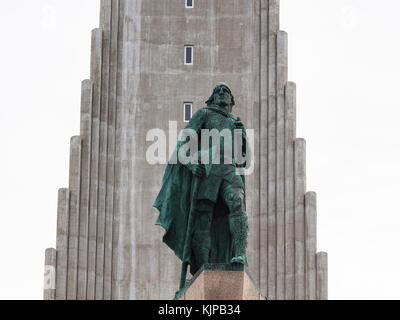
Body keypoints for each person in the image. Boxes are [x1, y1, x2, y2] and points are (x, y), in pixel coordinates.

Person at [154, 83, 250, 277]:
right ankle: (202, 269)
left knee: (237, 203)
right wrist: (191, 164)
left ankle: (239, 254)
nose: (222, 93)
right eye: (218, 91)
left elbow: (245, 160)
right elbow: (183, 144)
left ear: (231, 100)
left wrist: (243, 137)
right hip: (208, 171)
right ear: (212, 98)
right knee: (203, 220)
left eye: (226, 91)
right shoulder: (204, 114)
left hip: (229, 170)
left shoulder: (235, 123)